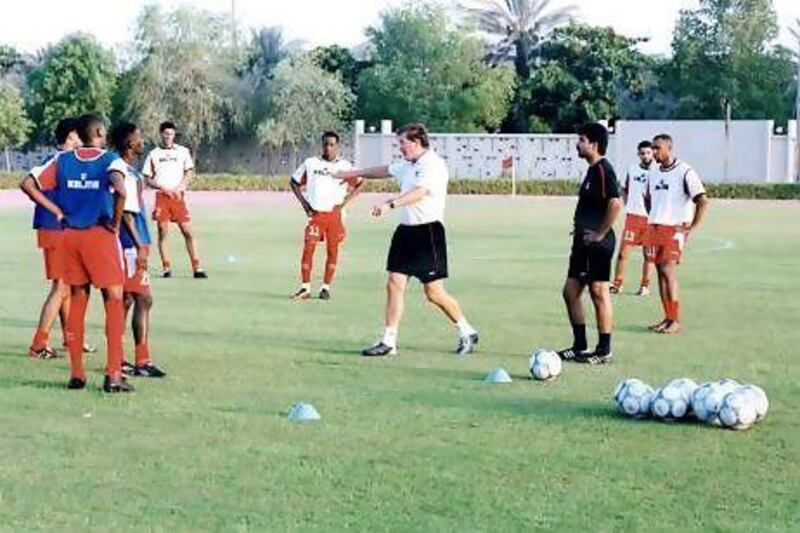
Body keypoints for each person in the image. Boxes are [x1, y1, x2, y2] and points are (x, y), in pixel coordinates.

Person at [335, 123, 479, 357]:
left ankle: (467, 331)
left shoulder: (433, 165)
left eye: (402, 143)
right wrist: (353, 173)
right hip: (405, 232)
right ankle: (389, 342)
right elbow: (384, 170)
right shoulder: (409, 164)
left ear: (416, 141)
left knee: (433, 293)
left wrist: (389, 204)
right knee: (394, 283)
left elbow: (419, 193)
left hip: (428, 233)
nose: (400, 147)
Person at [20, 114, 134, 392]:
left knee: (77, 300)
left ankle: (77, 374)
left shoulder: (62, 160)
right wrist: (117, 224)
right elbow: (120, 190)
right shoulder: (110, 160)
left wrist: (58, 212)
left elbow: (27, 183)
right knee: (114, 299)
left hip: (70, 237)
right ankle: (114, 374)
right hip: (100, 236)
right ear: (98, 131)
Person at [24, 118, 93, 359]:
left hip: (60, 230)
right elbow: (27, 185)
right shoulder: (57, 160)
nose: (81, 141)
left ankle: (70, 338)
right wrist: (56, 211)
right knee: (62, 287)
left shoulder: (66, 162)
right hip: (54, 229)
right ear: (70, 137)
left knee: (66, 286)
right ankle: (39, 344)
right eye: (77, 136)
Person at [558, 123, 623, 365]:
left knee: (598, 291)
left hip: (597, 244)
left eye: (581, 139)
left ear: (593, 144)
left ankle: (604, 349)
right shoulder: (591, 170)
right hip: (582, 243)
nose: (577, 143)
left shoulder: (603, 170)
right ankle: (579, 346)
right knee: (570, 291)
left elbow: (615, 203)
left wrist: (599, 233)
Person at [109, 122, 167, 378]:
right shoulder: (123, 171)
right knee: (143, 299)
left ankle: (120, 359)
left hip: (135, 243)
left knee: (128, 300)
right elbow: (128, 215)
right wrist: (139, 246)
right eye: (138, 137)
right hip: (131, 245)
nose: (142, 141)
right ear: (128, 143)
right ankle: (139, 361)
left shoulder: (132, 173)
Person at [645, 134, 710, 334]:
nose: (654, 152)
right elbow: (648, 199)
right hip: (655, 226)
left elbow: (702, 200)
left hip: (674, 228)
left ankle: (675, 320)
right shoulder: (653, 173)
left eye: (657, 148)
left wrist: (691, 227)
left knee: (668, 270)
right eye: (653, 148)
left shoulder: (685, 171)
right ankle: (667, 317)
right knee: (659, 272)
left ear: (668, 148)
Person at [290, 132, 364, 300]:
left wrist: (344, 203)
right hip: (316, 214)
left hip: (335, 215)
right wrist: (305, 205)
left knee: (332, 251)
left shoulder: (345, 166)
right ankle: (305, 287)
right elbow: (294, 182)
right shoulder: (311, 163)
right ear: (321, 145)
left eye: (331, 145)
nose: (328, 148)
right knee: (309, 247)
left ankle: (325, 287)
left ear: (337, 146)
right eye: (325, 144)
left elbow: (360, 184)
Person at [142, 121, 207, 279]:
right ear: (161, 135)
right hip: (162, 197)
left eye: (171, 134)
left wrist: (181, 187)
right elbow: (147, 178)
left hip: (178, 197)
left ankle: (196, 267)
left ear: (174, 135)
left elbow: (189, 172)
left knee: (187, 231)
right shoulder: (154, 154)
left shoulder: (182, 152)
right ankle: (166, 267)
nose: (168, 137)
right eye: (165, 134)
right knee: (163, 232)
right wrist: (162, 187)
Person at [611, 140, 657, 296]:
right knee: (623, 253)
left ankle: (645, 286)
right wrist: (626, 203)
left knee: (649, 255)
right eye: (642, 153)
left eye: (648, 153)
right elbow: (624, 189)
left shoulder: (658, 172)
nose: (645, 156)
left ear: (653, 153)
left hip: (650, 220)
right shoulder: (632, 170)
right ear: (638, 154)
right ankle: (617, 284)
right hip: (633, 218)